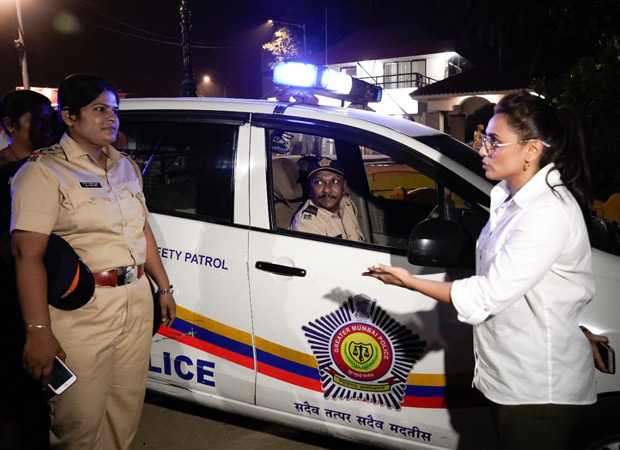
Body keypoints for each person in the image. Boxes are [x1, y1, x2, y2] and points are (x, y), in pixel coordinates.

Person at [364, 91, 608, 450]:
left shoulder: (545, 213)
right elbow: (540, 284)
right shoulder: (508, 197)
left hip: (536, 389)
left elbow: (489, 293)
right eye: (483, 138)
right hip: (512, 373)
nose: (482, 149)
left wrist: (409, 282)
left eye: (494, 142)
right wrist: (564, 323)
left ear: (531, 150)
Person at [10, 74, 176, 450]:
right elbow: (27, 254)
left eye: (114, 110)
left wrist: (162, 286)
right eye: (99, 109)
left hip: (135, 300)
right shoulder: (43, 172)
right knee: (78, 421)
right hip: (82, 310)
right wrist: (38, 329)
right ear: (69, 116)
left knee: (124, 412)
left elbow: (141, 229)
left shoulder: (125, 167)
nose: (111, 119)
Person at [1, 90, 54, 449]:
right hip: (10, 294)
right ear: (9, 125)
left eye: (49, 117)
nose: (46, 126)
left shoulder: (48, 166)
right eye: (36, 119)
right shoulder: (7, 172)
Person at [290, 157, 365, 241]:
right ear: (310, 188)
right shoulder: (307, 224)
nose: (327, 189)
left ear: (343, 186)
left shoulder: (347, 204)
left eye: (335, 181)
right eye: (319, 182)